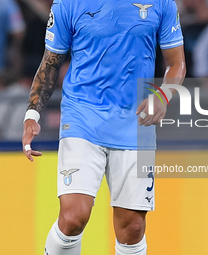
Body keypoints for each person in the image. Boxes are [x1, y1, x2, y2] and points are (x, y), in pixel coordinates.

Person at [22, 0, 186, 254]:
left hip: (136, 122)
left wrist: (164, 95)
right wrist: (32, 114)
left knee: (132, 228)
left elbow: (177, 64)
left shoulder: (162, 3)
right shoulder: (68, 3)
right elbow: (50, 63)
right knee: (74, 217)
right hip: (82, 118)